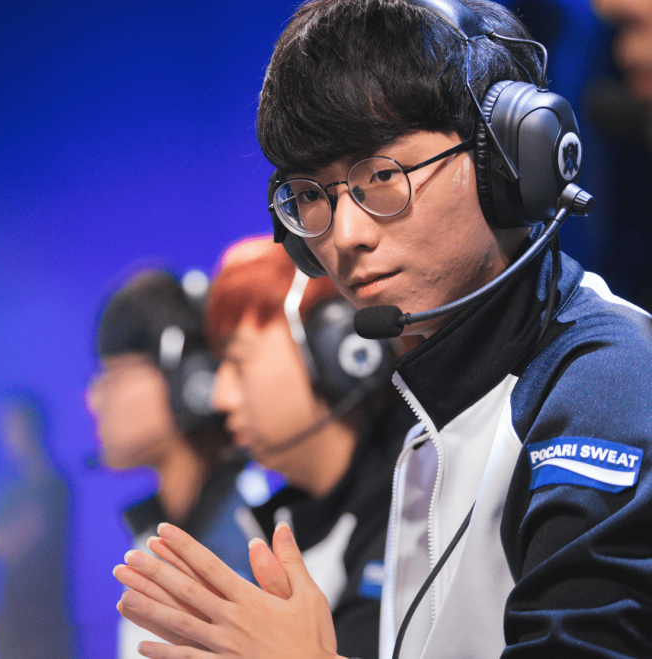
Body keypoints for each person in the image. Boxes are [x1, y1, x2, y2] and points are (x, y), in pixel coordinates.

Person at [111, 1, 652, 658]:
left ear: (512, 157)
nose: (345, 235)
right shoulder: (432, 418)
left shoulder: (606, 385)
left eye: (382, 176)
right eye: (312, 194)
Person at [203, 236, 412, 659]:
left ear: (338, 351)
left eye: (238, 361)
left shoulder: (418, 506)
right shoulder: (288, 525)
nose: (218, 397)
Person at [86, 269, 256, 659]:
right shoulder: (162, 533)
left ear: (188, 379)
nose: (94, 399)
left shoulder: (250, 541)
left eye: (113, 374)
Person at [0, 394, 74, 659]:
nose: (5, 437)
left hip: (42, 629)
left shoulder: (51, 486)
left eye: (10, 427)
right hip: (14, 625)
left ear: (30, 429)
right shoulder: (10, 489)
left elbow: (10, 543)